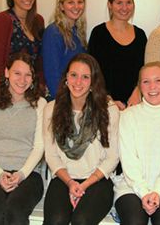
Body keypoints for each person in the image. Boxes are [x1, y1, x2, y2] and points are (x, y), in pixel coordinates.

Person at [43, 53, 119, 224]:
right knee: (56, 220)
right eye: (74, 75)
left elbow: (112, 158)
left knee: (81, 221)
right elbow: (51, 155)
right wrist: (70, 183)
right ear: (66, 78)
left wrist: (83, 185)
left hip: (98, 179)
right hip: (63, 178)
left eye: (85, 77)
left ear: (93, 82)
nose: (78, 82)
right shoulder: (51, 109)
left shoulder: (108, 110)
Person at [0, 52, 46, 225]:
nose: (22, 80)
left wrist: (21, 174)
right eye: (17, 73)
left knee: (15, 211)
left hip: (29, 175)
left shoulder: (40, 104)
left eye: (28, 75)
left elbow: (39, 147)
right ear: (7, 72)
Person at [115, 61, 160, 225]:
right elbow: (129, 159)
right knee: (135, 222)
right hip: (131, 186)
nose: (152, 87)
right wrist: (143, 192)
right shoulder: (128, 116)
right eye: (146, 82)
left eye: (158, 80)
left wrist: (157, 192)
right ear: (140, 86)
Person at [88, 0, 146, 110]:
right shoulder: (98, 33)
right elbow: (92, 72)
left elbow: (145, 70)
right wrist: (109, 100)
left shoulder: (141, 35)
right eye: (119, 2)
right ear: (110, 5)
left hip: (135, 105)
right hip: (105, 105)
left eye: (128, 2)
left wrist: (138, 91)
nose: (124, 8)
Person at [0, 0, 45, 88]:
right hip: (8, 91)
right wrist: (9, 91)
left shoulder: (38, 21)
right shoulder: (3, 20)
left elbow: (40, 61)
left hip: (32, 90)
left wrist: (40, 86)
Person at [42, 0, 87, 100]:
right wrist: (62, 103)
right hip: (59, 100)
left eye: (80, 2)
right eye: (71, 2)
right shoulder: (53, 32)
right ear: (61, 6)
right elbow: (52, 75)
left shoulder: (78, 32)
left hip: (75, 96)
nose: (76, 6)